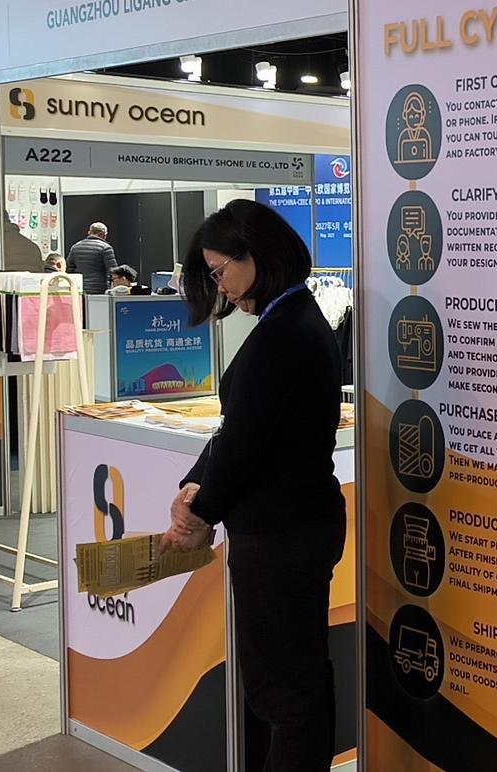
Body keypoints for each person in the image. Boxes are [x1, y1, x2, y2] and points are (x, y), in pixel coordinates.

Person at [160, 199, 345, 770]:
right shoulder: (291, 320)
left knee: (285, 694)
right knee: (293, 683)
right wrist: (197, 485)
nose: (220, 287)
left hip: (281, 536)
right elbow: (239, 429)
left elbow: (245, 441)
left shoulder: (285, 331)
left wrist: (201, 511)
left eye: (221, 271)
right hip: (294, 526)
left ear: (258, 254)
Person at [66, 221, 117, 294]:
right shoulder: (106, 248)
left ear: (89, 232)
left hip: (81, 289)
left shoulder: (75, 247)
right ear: (102, 234)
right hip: (99, 289)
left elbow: (69, 268)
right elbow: (113, 271)